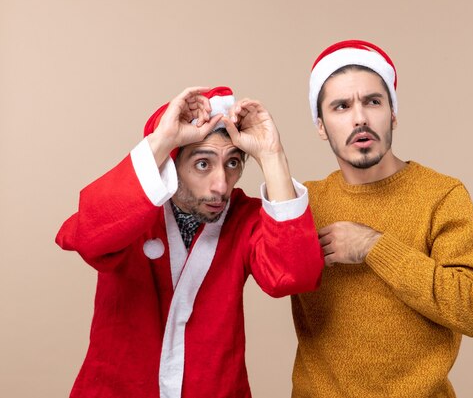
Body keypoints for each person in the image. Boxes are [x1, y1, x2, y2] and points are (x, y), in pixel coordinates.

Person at [56, 86, 324, 398]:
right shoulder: (132, 210)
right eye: (202, 163)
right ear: (172, 162)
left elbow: (294, 275)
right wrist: (161, 141)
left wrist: (272, 155)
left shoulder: (244, 218)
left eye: (233, 163)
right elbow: (86, 238)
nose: (221, 184)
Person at [290, 40, 473, 398]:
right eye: (341, 106)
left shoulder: (442, 196)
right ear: (321, 126)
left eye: (373, 101)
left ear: (393, 113)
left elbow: (472, 310)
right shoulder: (305, 204)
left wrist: (374, 246)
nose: (360, 118)